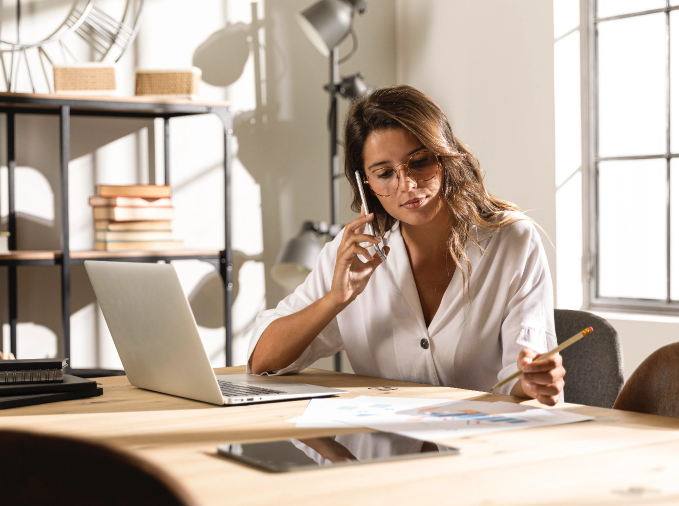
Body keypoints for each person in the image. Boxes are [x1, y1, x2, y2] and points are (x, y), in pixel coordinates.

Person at [248, 85, 564, 406]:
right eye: (385, 173)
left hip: (482, 444)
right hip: (384, 448)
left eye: (420, 161)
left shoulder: (511, 241)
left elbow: (524, 373)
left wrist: (534, 380)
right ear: (366, 183)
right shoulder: (353, 254)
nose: (407, 185)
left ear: (443, 155)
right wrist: (336, 299)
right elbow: (262, 362)